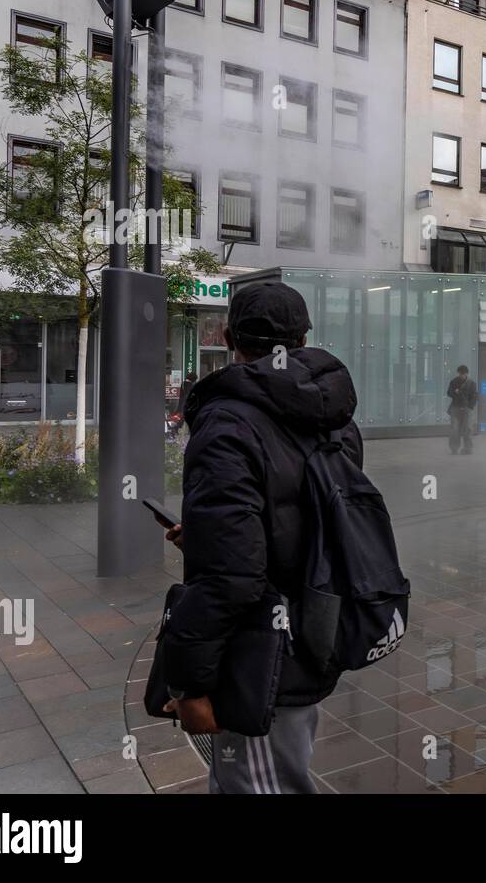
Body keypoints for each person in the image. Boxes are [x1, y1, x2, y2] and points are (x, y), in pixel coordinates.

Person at [158, 282, 366, 794]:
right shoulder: (335, 420)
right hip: (316, 627)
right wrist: (209, 536)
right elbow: (312, 529)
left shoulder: (228, 424)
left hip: (264, 654)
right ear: (303, 337)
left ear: (228, 338)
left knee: (261, 784)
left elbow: (233, 576)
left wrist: (188, 682)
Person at [446, 365, 478, 455]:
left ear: (466, 373)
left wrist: (470, 407)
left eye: (462, 374)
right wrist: (455, 393)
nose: (461, 376)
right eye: (460, 374)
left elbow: (474, 396)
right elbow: (449, 393)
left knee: (467, 429)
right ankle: (454, 448)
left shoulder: (472, 383)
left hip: (466, 409)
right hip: (455, 408)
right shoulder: (454, 381)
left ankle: (468, 448)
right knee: (454, 429)